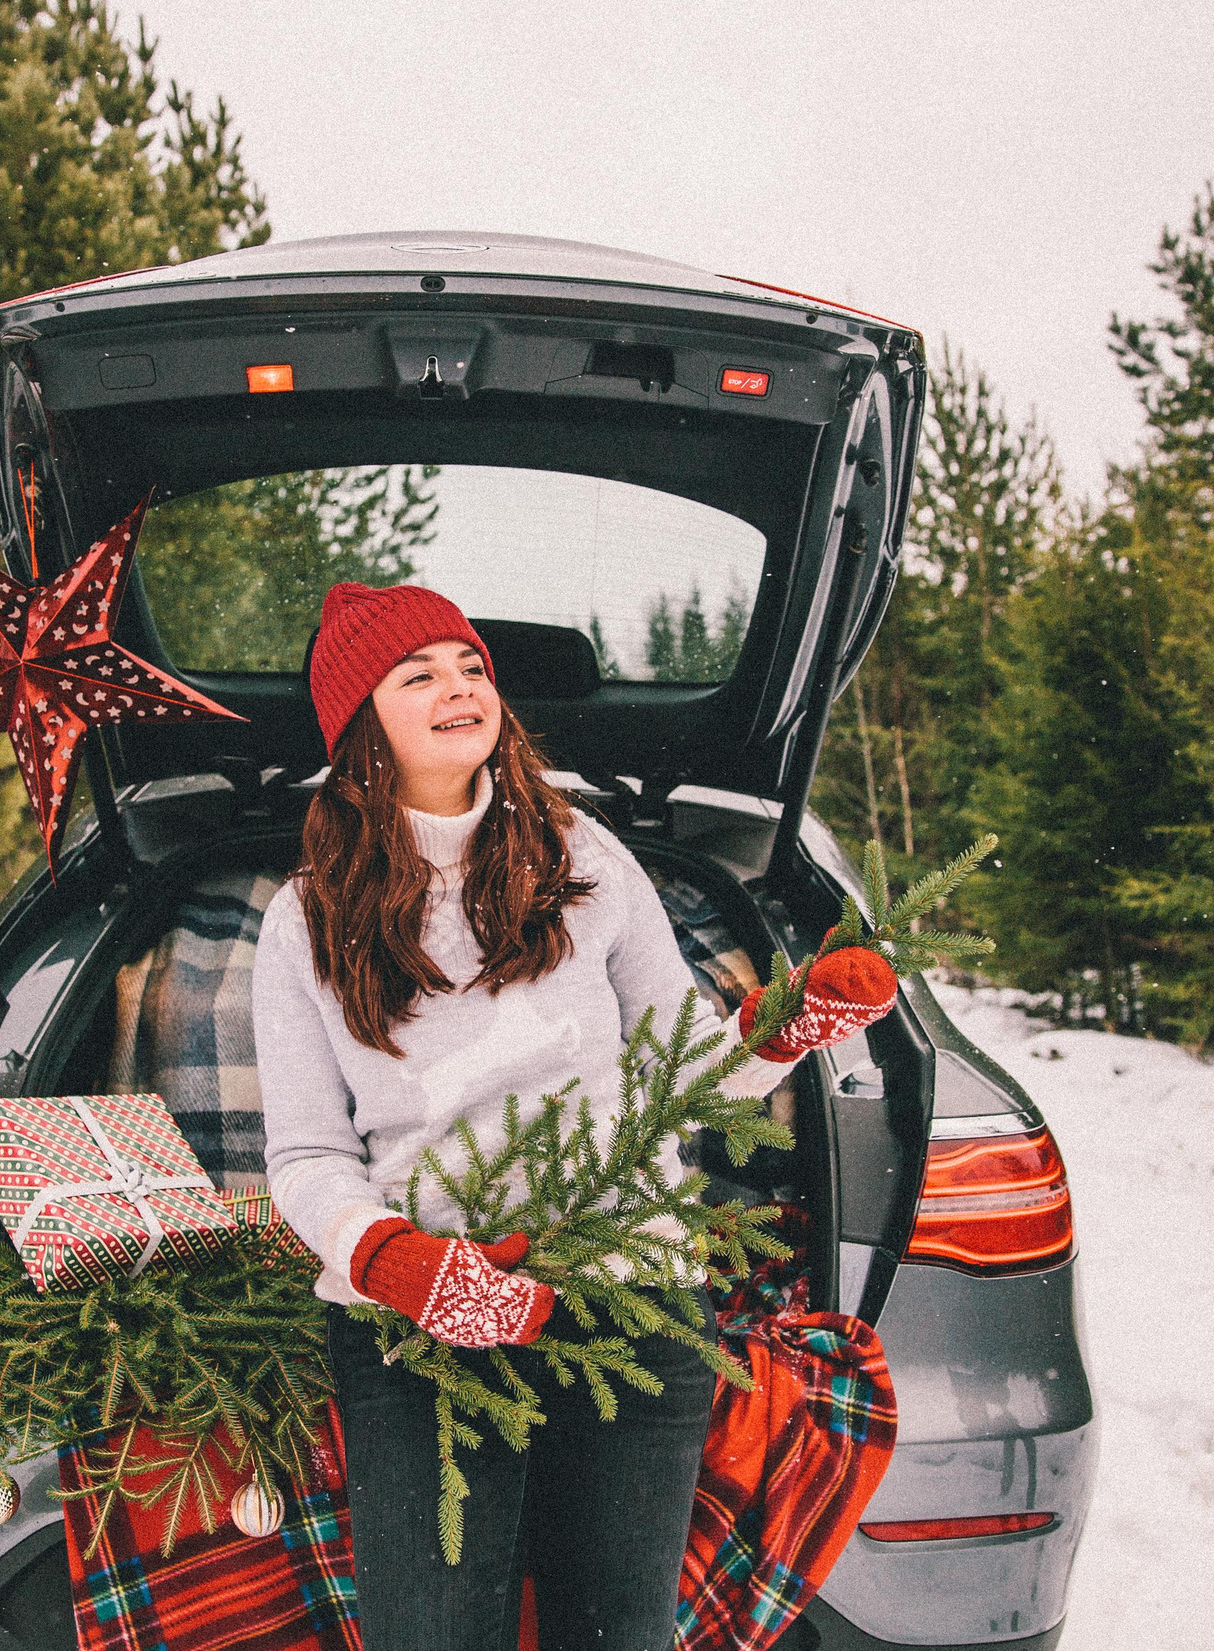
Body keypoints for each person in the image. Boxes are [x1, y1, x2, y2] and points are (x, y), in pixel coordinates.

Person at [254, 581, 900, 1651]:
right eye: (416, 674)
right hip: (417, 1330)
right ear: (358, 724)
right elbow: (309, 1154)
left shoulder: (587, 860)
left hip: (630, 1297)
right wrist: (395, 1263)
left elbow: (678, 1067)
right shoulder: (305, 918)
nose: (459, 688)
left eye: (471, 668)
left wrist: (784, 1024)